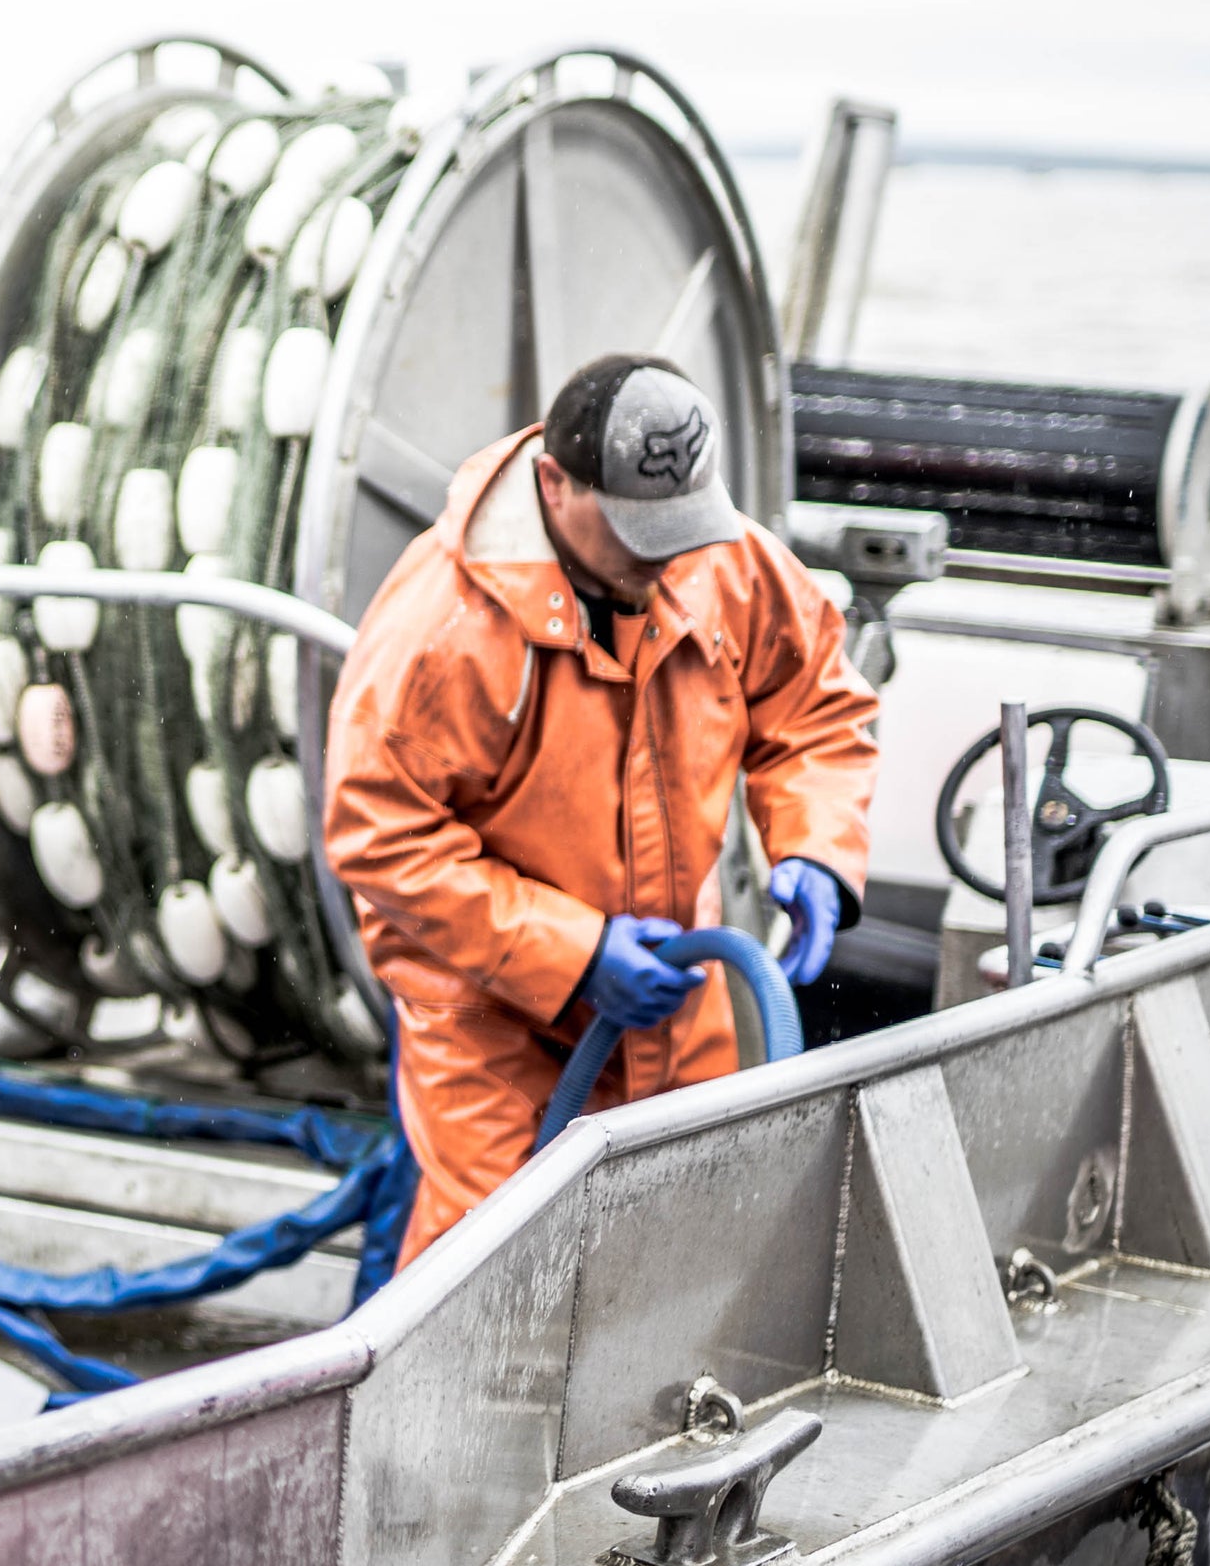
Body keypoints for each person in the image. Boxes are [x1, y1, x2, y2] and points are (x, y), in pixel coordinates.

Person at [322, 353, 881, 1266]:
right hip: (496, 1028)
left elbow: (814, 700)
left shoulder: (719, 562)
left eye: (680, 528)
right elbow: (378, 837)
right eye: (636, 532)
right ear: (554, 482)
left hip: (674, 991)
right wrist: (571, 956)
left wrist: (818, 849)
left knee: (691, 1256)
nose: (665, 560)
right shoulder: (443, 627)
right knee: (495, 1282)